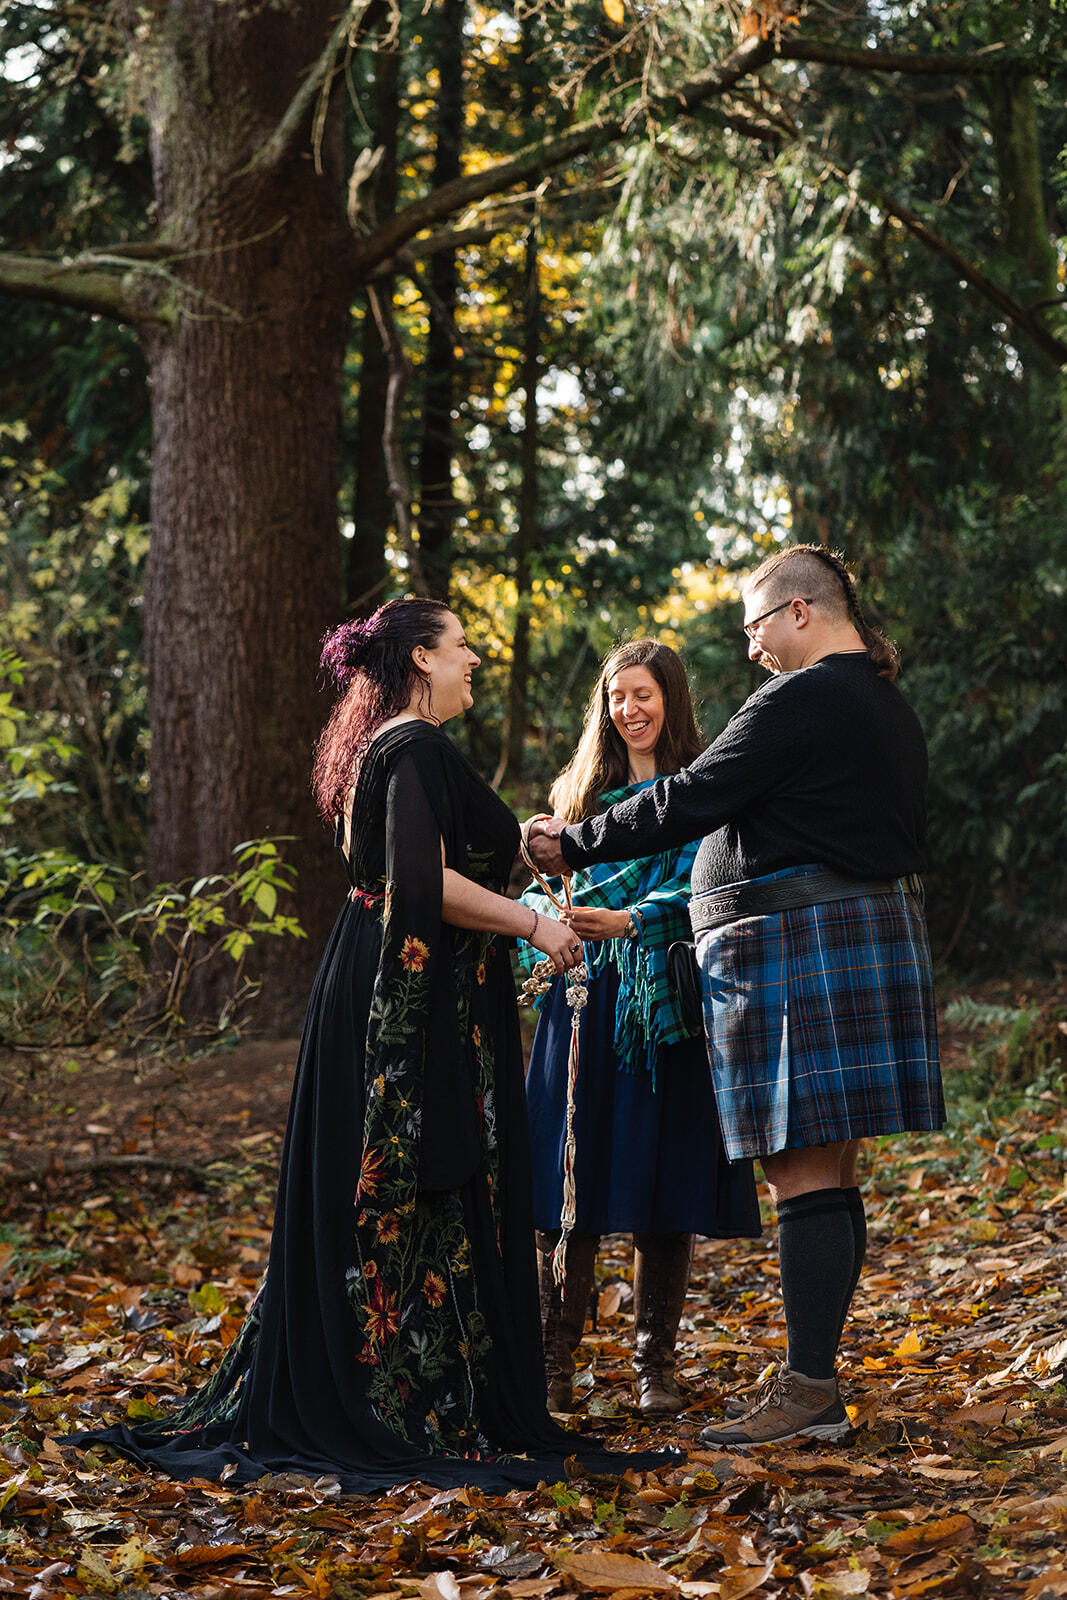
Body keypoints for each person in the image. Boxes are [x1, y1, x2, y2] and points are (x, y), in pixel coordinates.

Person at [71, 598, 652, 1493]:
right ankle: (406, 1398)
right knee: (413, 1181)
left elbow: (430, 858)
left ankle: (417, 1385)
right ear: (421, 658)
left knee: (408, 1194)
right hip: (407, 1002)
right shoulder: (411, 745)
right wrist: (534, 927)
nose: (472, 660)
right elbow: (419, 880)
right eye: (460, 647)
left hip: (383, 986)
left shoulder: (384, 746)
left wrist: (530, 850)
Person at [528, 546, 944, 1448]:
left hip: (798, 945)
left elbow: (694, 796)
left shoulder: (801, 699)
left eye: (754, 626)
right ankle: (814, 1379)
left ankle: (806, 1391)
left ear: (799, 612)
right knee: (829, 1169)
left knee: (800, 1167)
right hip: (842, 936)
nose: (751, 648)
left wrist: (575, 843)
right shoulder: (884, 704)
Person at [519, 641, 761, 1417]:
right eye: (617, 695)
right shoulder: (578, 794)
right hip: (585, 996)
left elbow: (712, 891)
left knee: (663, 1178)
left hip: (666, 1006)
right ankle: (554, 1366)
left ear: (672, 701)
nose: (629, 708)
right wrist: (547, 884)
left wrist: (631, 920)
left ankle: (655, 1365)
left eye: (644, 694)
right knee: (571, 1175)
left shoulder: (700, 793)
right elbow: (547, 888)